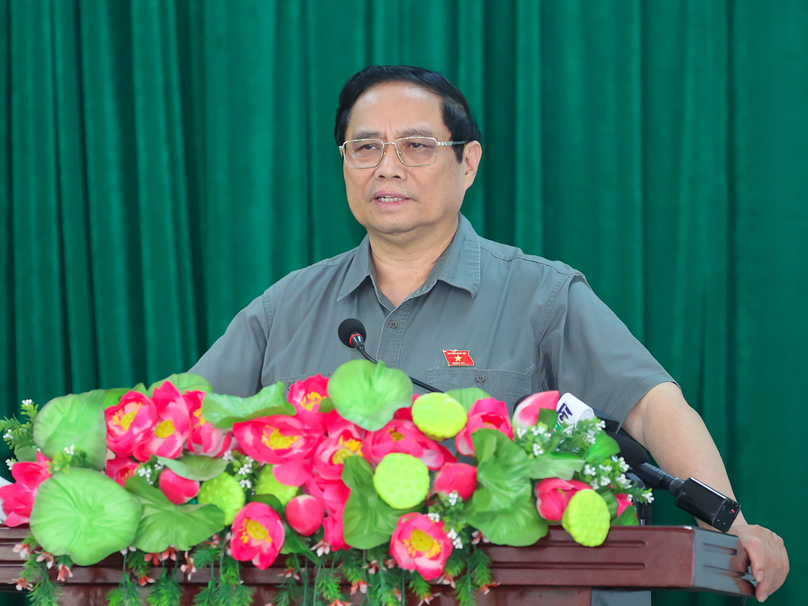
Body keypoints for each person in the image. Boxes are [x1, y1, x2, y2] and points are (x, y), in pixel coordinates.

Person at [190, 65, 788, 603]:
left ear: (468, 162)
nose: (387, 166)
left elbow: (652, 408)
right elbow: (180, 420)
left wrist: (731, 527)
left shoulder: (541, 296)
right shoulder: (287, 307)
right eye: (364, 146)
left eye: (416, 146)